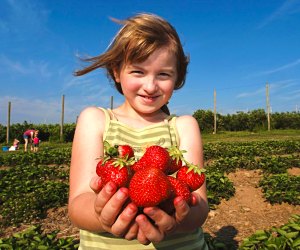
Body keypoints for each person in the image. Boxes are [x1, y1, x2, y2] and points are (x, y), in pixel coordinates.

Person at [68, 13, 209, 250]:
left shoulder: (184, 125)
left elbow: (200, 205)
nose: (150, 86)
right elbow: (78, 204)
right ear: (116, 71)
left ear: (177, 77)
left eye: (163, 74)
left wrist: (179, 218)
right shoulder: (95, 120)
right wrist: (102, 214)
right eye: (138, 72)